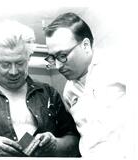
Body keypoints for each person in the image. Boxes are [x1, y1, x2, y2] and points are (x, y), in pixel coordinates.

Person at [0, 20, 80, 157]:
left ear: (29, 57)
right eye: (5, 64)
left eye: (20, 63)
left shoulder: (49, 95)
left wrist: (55, 144)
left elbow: (75, 140)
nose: (13, 72)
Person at [44, 12, 129, 158]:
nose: (58, 66)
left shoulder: (120, 65)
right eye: (53, 58)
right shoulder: (69, 92)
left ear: (85, 45)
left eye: (62, 55)